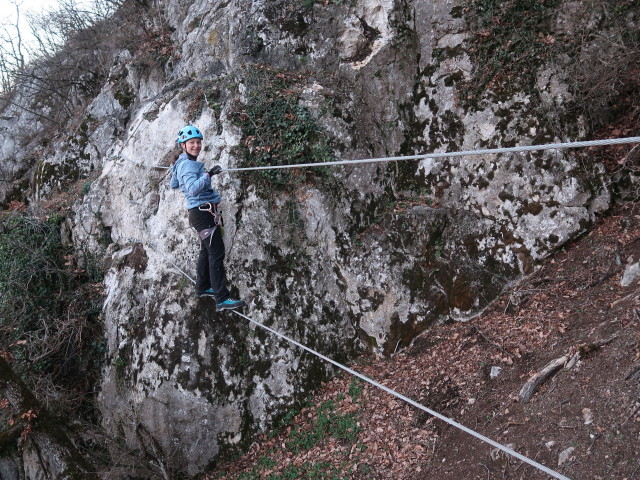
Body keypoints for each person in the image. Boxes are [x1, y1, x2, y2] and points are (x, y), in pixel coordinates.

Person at [170, 125, 246, 312]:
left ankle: (202, 287)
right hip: (203, 213)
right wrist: (209, 174)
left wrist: (178, 169)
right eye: (192, 143)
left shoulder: (181, 162)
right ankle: (222, 298)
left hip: (200, 213)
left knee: (206, 251)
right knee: (216, 253)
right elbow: (193, 188)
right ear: (183, 145)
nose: (196, 145)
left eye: (198, 142)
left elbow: (174, 183)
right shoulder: (187, 164)